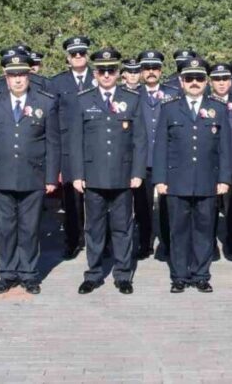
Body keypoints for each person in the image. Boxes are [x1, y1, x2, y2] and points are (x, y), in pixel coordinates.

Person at [0, 49, 60, 295]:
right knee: (5, 229)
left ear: (29, 75)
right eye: (12, 74)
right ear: (5, 77)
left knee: (29, 228)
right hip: (0, 176)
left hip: (32, 176)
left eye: (22, 74)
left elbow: (53, 143)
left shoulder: (45, 102)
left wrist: (51, 177)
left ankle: (29, 274)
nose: (17, 79)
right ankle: (7, 273)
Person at [67, 48, 148, 295]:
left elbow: (140, 140)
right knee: (94, 227)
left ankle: (123, 275)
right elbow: (76, 141)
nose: (106, 75)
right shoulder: (83, 99)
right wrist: (78, 174)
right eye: (101, 71)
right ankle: (93, 274)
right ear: (95, 73)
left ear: (118, 73)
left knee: (123, 227)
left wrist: (137, 172)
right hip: (93, 176)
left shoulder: (132, 99)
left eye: (110, 70)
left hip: (123, 176)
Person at [153, 58, 232, 292]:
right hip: (177, 181)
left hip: (208, 181)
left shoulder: (218, 108)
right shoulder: (169, 108)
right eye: (190, 79)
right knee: (178, 230)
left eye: (199, 78)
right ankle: (179, 276)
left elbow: (225, 148)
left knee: (205, 230)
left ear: (206, 81)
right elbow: (160, 148)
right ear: (181, 81)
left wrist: (224, 179)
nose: (194, 83)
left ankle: (201, 275)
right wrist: (160, 179)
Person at [48, 36, 94, 260]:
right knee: (71, 200)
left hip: (94, 147)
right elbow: (53, 120)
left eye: (82, 53)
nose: (78, 57)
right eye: (74, 54)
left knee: (97, 198)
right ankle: (72, 241)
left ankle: (99, 242)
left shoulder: (99, 78)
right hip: (67, 148)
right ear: (68, 57)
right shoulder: (56, 83)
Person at [133, 50, 178, 260]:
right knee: (142, 207)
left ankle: (169, 243)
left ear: (161, 70)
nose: (151, 72)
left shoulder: (174, 93)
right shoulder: (132, 95)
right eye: (146, 68)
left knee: (169, 207)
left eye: (155, 68)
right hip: (141, 161)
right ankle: (145, 242)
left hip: (167, 160)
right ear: (141, 71)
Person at [207, 62, 232, 258]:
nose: (222, 83)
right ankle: (209, 244)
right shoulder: (203, 103)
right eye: (217, 79)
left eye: (225, 79)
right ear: (210, 81)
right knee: (209, 208)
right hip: (209, 165)